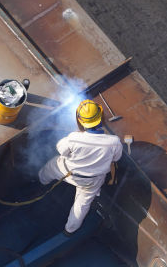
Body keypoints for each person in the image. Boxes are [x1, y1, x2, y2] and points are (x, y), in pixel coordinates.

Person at [38, 99, 122, 235]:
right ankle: (69, 230)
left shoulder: (74, 138)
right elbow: (116, 159)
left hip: (66, 171)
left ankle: (41, 183)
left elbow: (61, 150)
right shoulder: (114, 142)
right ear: (100, 117)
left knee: (48, 169)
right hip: (92, 180)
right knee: (82, 205)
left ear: (81, 121)